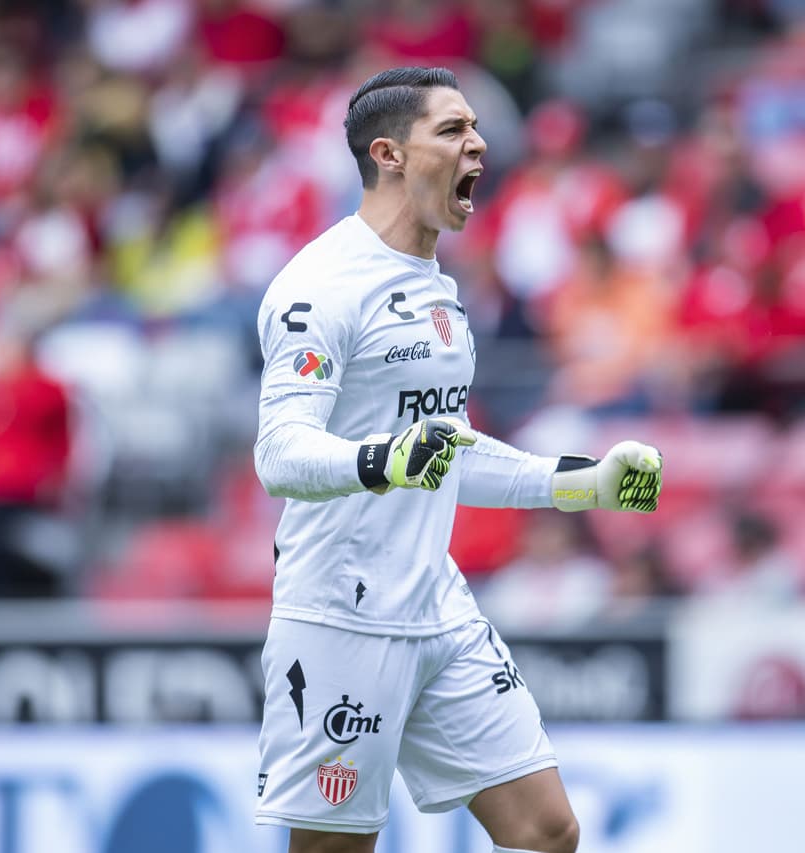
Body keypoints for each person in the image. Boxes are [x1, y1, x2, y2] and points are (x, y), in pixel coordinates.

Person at [252, 66, 663, 853]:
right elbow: (281, 451)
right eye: (451, 130)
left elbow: (444, 448)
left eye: (475, 128)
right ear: (389, 154)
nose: (478, 144)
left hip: (438, 603)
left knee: (547, 830)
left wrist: (585, 481)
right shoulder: (319, 286)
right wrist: (384, 459)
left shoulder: (438, 289)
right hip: (342, 613)